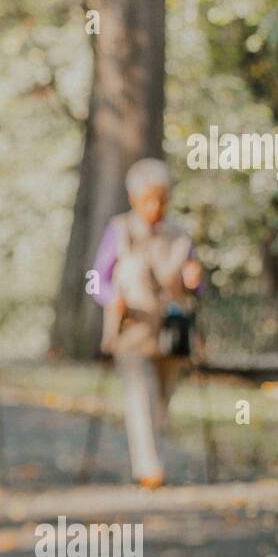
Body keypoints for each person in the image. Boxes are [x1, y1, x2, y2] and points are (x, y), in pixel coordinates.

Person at [91, 158, 202, 489]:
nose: (156, 207)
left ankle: (152, 459)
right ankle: (149, 467)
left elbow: (197, 287)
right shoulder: (119, 230)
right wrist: (111, 297)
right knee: (141, 394)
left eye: (162, 199)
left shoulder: (181, 235)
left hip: (172, 331)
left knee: (162, 401)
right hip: (132, 330)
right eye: (149, 199)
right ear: (133, 199)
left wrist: (195, 281)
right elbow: (95, 279)